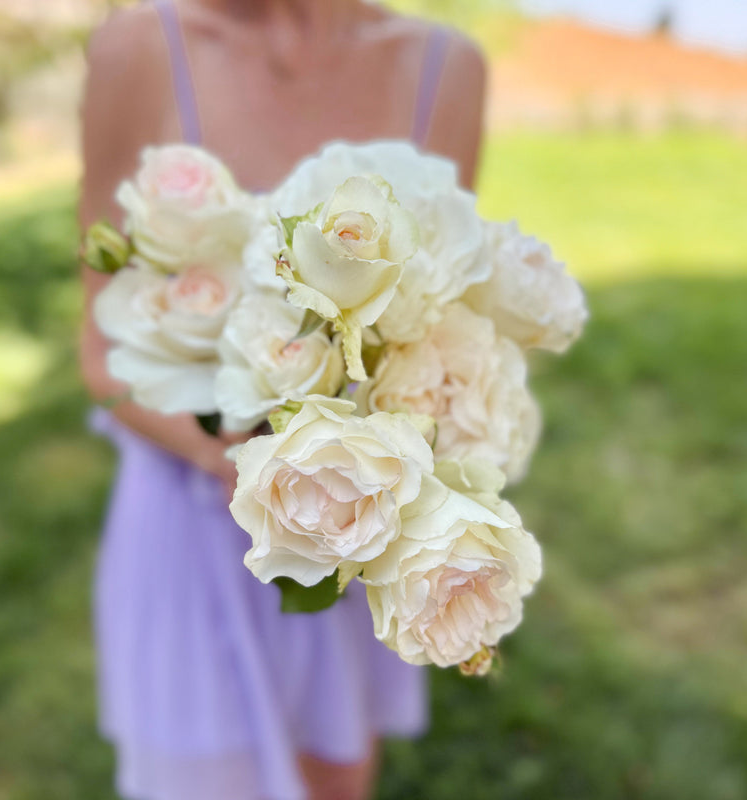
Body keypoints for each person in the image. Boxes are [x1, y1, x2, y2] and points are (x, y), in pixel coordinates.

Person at [78, 1, 486, 798]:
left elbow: (447, 330)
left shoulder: (448, 69)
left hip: (349, 534)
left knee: (338, 775)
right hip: (191, 528)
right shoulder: (141, 48)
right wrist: (230, 457)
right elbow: (102, 354)